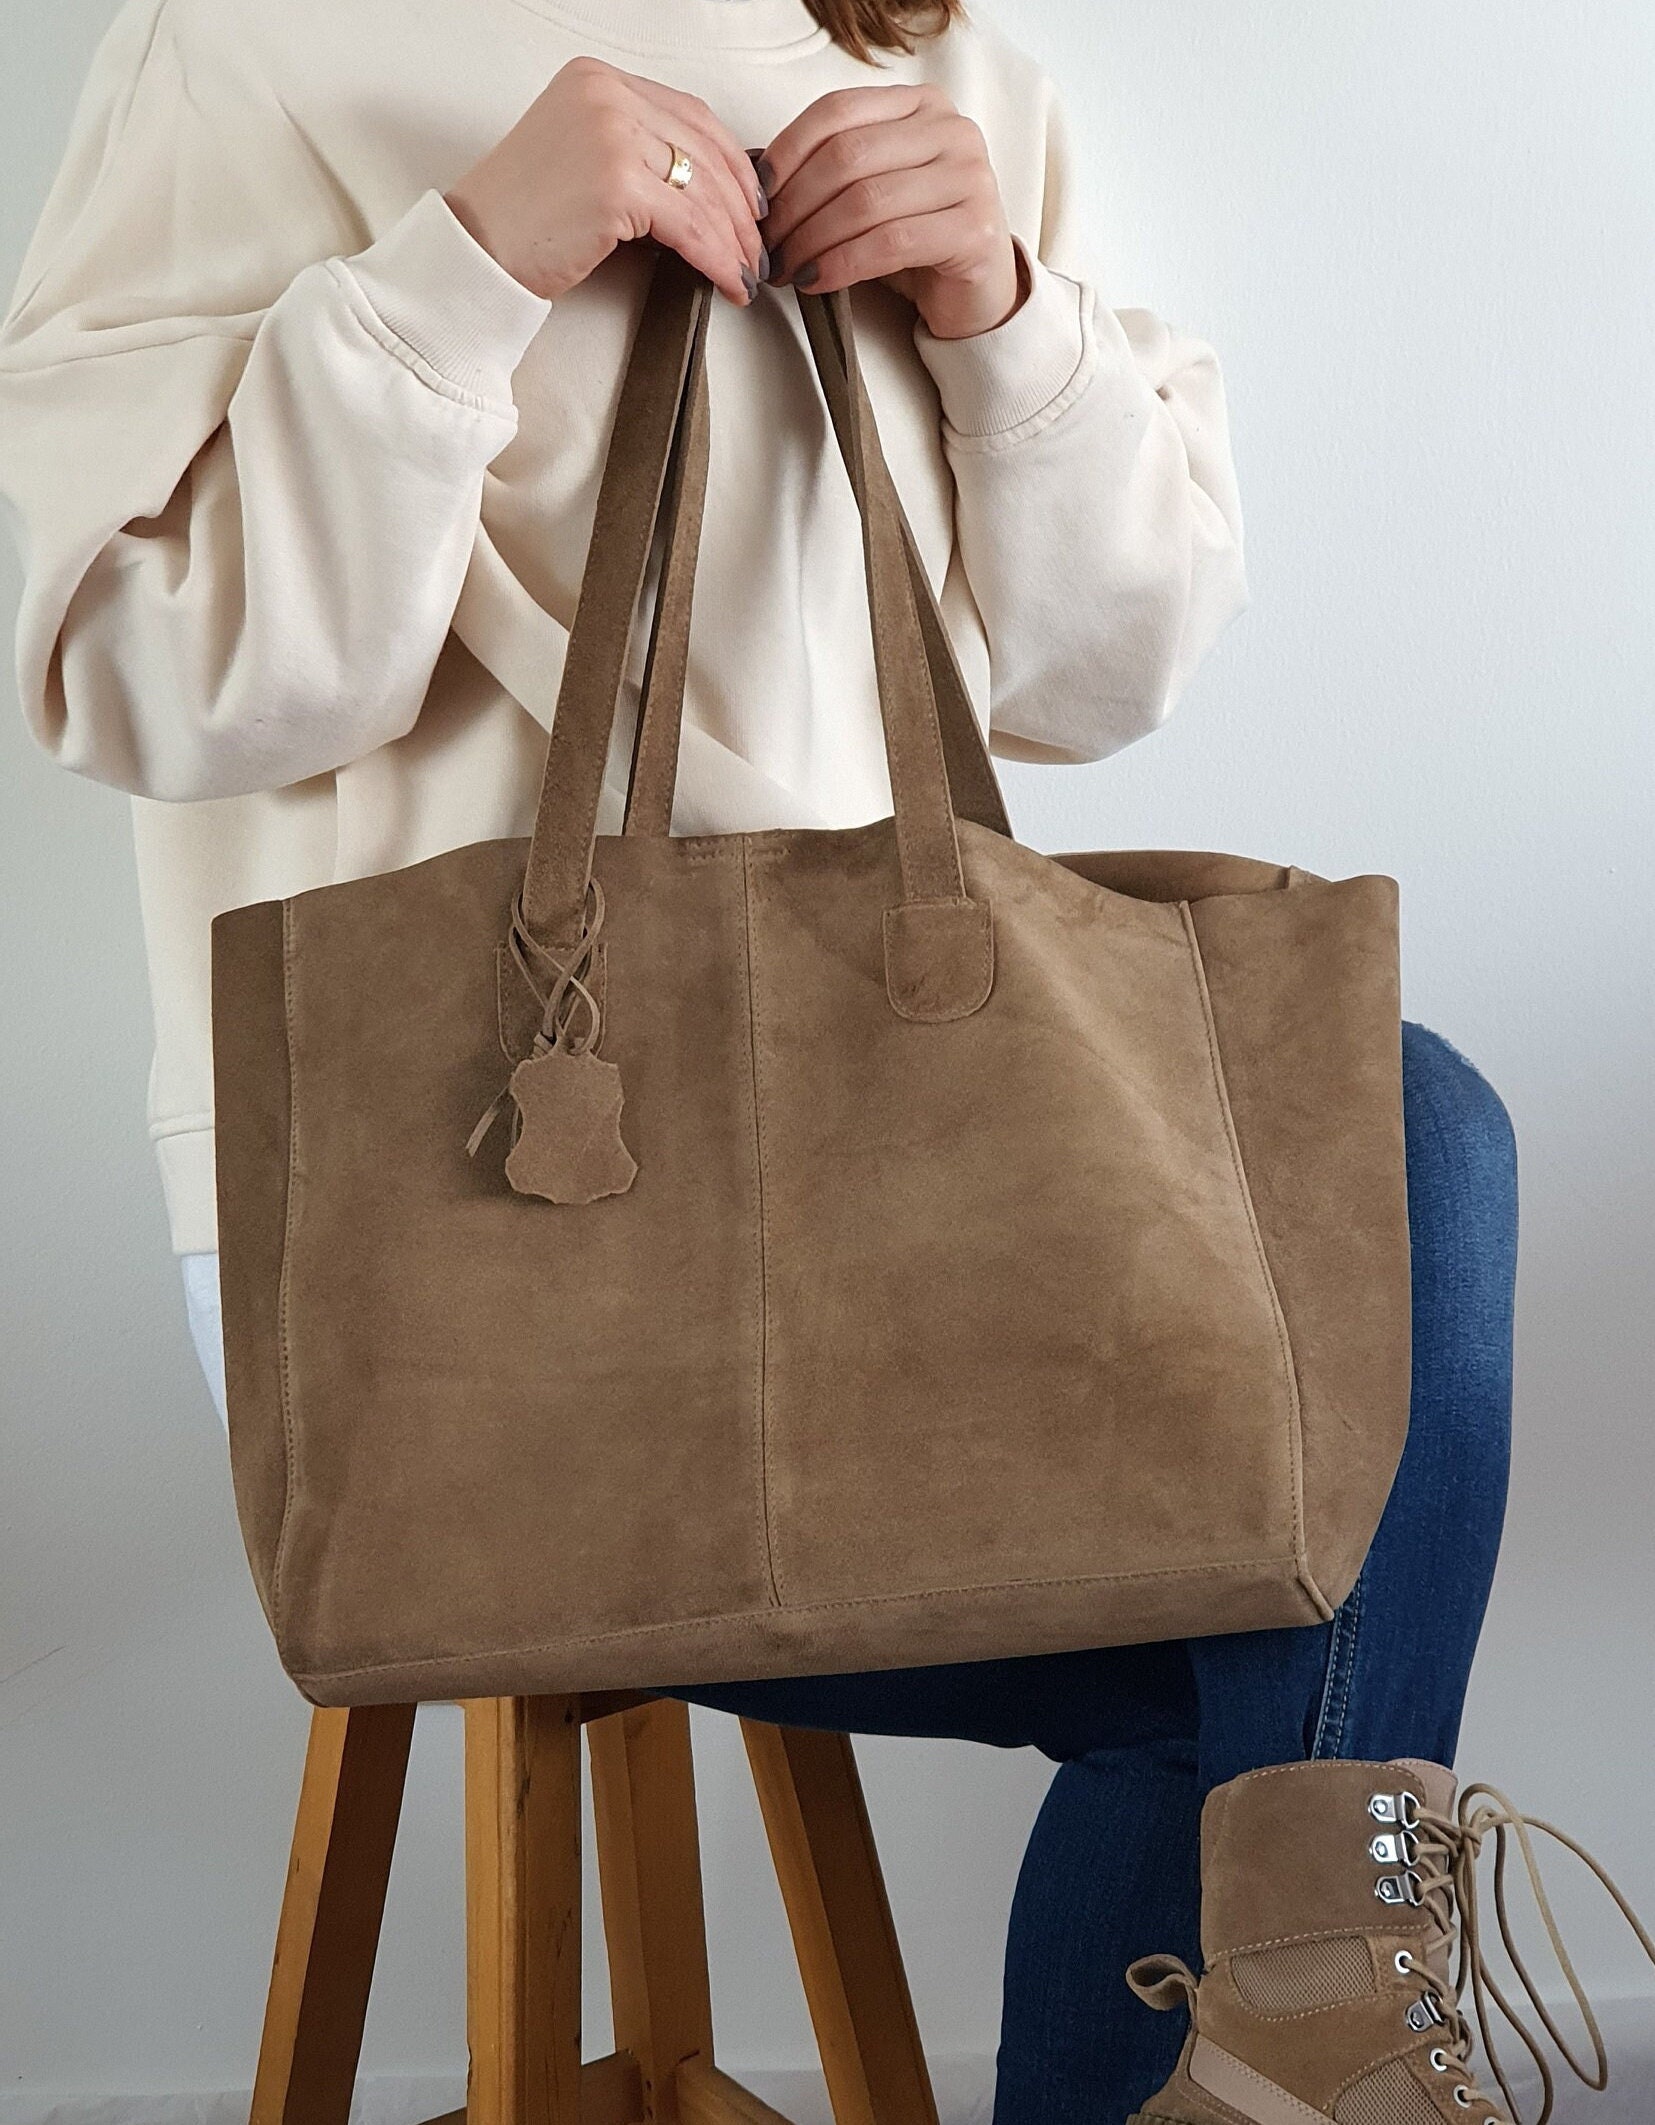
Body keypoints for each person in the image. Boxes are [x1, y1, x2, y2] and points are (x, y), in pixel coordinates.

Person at [2, 3, 1582, 2121]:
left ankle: (1299, 2023)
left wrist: (1004, 319)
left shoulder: (934, 69)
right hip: (482, 1225)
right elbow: (132, 669)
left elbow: (1106, 672)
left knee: (1406, 1137)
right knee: (1285, 1659)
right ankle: (1314, 2021)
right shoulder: (253, 39)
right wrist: (458, 273)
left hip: (907, 1182)